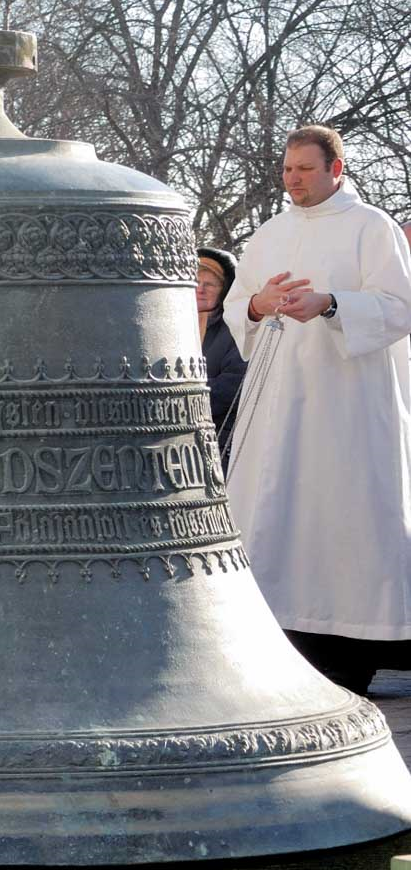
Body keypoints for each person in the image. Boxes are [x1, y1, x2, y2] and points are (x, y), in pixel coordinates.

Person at [222, 125, 411, 693]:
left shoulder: (371, 228)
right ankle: (276, 638)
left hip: (347, 396)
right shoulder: (268, 234)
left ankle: (352, 646)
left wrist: (330, 304)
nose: (293, 179)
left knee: (343, 511)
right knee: (276, 508)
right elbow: (239, 306)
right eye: (286, 169)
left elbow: (399, 306)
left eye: (304, 169)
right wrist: (258, 303)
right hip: (279, 393)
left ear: (336, 169)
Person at [196, 247, 246, 469]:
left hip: (219, 443)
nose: (200, 289)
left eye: (210, 285)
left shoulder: (236, 329)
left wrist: (180, 397)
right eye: (195, 282)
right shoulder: (166, 327)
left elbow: (232, 386)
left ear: (224, 290)